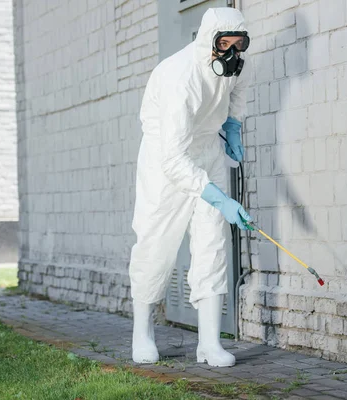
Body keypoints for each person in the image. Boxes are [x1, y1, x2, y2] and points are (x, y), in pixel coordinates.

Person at [128, 7, 251, 368]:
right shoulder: (180, 78)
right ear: (207, 43)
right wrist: (217, 196)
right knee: (156, 241)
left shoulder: (236, 63)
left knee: (212, 243)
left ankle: (210, 343)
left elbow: (237, 89)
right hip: (166, 159)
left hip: (206, 149)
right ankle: (142, 333)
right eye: (224, 45)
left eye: (237, 45)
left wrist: (232, 125)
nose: (232, 53)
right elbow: (173, 158)